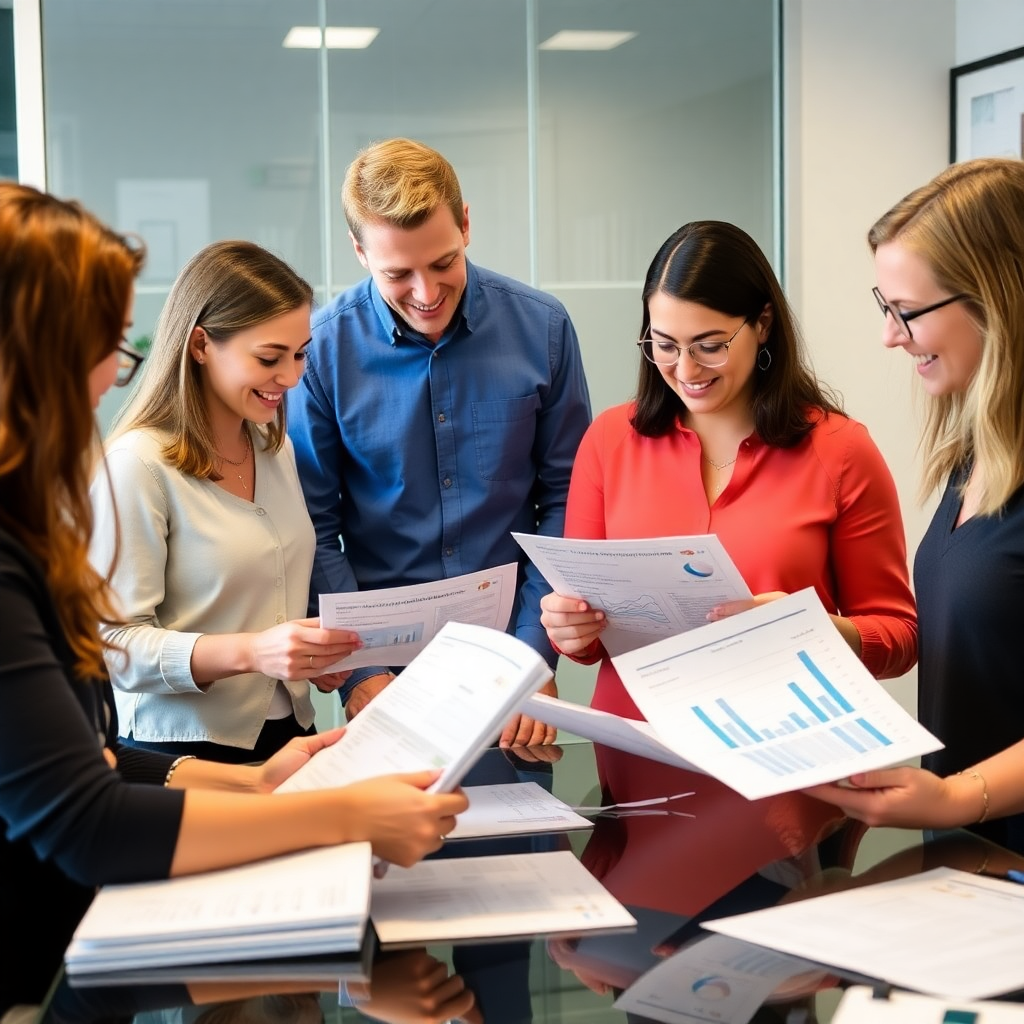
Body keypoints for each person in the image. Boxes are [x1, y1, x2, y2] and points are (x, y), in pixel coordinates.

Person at [0, 182, 468, 1016]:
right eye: (101, 347)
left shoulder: (270, 442)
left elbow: (91, 754)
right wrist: (342, 814)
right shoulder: (129, 471)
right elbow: (87, 797)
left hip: (252, 759)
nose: (112, 374)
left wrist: (265, 783)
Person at [539, 220, 917, 723]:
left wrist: (809, 628)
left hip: (792, 758)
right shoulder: (609, 440)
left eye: (710, 345)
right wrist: (570, 630)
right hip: (640, 759)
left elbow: (899, 636)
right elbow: (588, 645)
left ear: (762, 324)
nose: (686, 370)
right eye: (665, 345)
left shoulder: (841, 451)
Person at [288, 138, 592, 745]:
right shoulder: (321, 350)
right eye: (397, 273)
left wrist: (532, 656)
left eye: (444, 262)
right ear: (359, 251)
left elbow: (566, 501)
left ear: (467, 224)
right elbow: (314, 525)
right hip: (383, 671)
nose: (426, 294)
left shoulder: (544, 329)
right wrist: (361, 675)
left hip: (512, 655)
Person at [807, 158, 1024, 854]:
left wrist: (959, 796)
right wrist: (813, 631)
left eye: (906, 312)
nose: (890, 335)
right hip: (972, 863)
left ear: (998, 297)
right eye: (885, 307)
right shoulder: (976, 454)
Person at [89, 240, 360, 763]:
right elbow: (115, 645)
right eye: (269, 357)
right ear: (199, 345)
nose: (291, 377)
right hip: (176, 753)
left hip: (290, 736)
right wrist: (255, 652)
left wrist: (313, 656)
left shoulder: (274, 449)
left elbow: (275, 592)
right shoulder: (137, 465)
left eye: (300, 353)